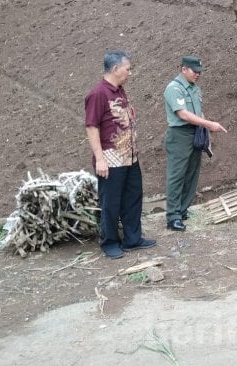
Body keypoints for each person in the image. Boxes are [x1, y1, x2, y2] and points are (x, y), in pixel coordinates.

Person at [85, 50, 156, 259]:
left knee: (133, 198)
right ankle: (110, 242)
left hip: (130, 157)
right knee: (111, 202)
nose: (130, 73)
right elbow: (91, 127)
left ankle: (133, 239)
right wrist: (99, 158)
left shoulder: (119, 90)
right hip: (110, 159)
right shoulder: (98, 94)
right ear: (115, 69)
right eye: (128, 69)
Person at [163, 56, 227, 231]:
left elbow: (199, 112)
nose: (198, 74)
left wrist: (206, 133)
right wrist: (210, 125)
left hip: (196, 133)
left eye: (199, 72)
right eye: (194, 71)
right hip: (180, 135)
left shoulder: (195, 88)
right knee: (176, 175)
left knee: (192, 173)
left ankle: (183, 210)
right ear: (184, 69)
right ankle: (173, 217)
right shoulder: (174, 88)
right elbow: (183, 115)